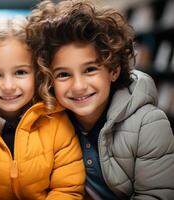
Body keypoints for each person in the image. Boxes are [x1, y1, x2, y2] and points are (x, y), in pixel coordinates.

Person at [26, 0, 174, 199]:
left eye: (90, 69)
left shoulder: (149, 125)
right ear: (50, 80)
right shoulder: (52, 122)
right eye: (63, 74)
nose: (78, 86)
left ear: (113, 70)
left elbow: (156, 195)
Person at [0, 18, 85, 200]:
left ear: (38, 73)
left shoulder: (57, 121)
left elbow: (68, 189)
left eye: (20, 72)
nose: (8, 86)